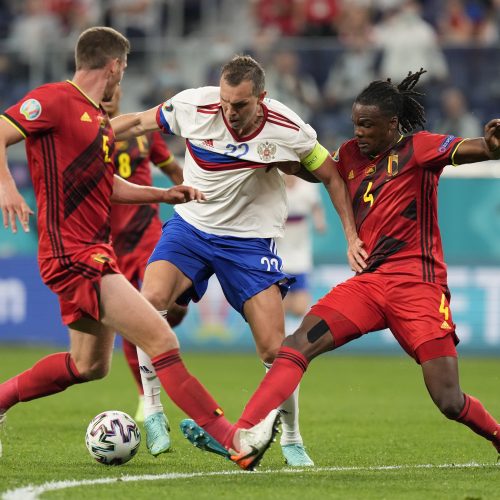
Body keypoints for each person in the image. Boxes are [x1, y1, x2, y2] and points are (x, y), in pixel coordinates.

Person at [180, 69, 500, 466]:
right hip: (367, 285)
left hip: (418, 287)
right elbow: (312, 170)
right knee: (296, 345)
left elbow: (477, 149)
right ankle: (243, 435)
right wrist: (274, 154)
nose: (359, 132)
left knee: (449, 400)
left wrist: (492, 146)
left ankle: (498, 436)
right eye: (355, 124)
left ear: (392, 124)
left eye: (367, 125)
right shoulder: (348, 154)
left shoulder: (419, 149)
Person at [0, 27, 281, 472]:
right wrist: (7, 187)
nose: (121, 79)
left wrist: (164, 196)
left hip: (93, 251)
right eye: (122, 69)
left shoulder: (96, 121)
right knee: (160, 336)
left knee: (88, 364)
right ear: (113, 66)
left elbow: (105, 185)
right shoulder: (54, 100)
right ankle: (234, 439)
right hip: (74, 255)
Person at [111, 54, 366, 467]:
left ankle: (292, 439)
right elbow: (138, 121)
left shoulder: (288, 127)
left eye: (240, 104)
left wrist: (351, 236)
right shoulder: (196, 105)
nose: (229, 111)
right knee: (150, 299)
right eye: (226, 101)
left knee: (274, 348)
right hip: (191, 228)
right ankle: (154, 411)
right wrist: (86, 136)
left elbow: (332, 175)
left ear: (262, 98)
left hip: (248, 242)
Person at [102, 86, 187, 457]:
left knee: (174, 305)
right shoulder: (86, 135)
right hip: (108, 238)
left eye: (113, 92)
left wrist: (187, 190)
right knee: (131, 319)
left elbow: (171, 168)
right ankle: (144, 397)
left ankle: (167, 324)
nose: (108, 98)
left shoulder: (140, 134)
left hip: (148, 232)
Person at [277, 174, 325, 325]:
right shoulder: (275, 186)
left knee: (299, 308)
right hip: (279, 254)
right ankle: (280, 340)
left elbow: (316, 206)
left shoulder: (307, 186)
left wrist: (319, 222)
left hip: (300, 253)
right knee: (280, 307)